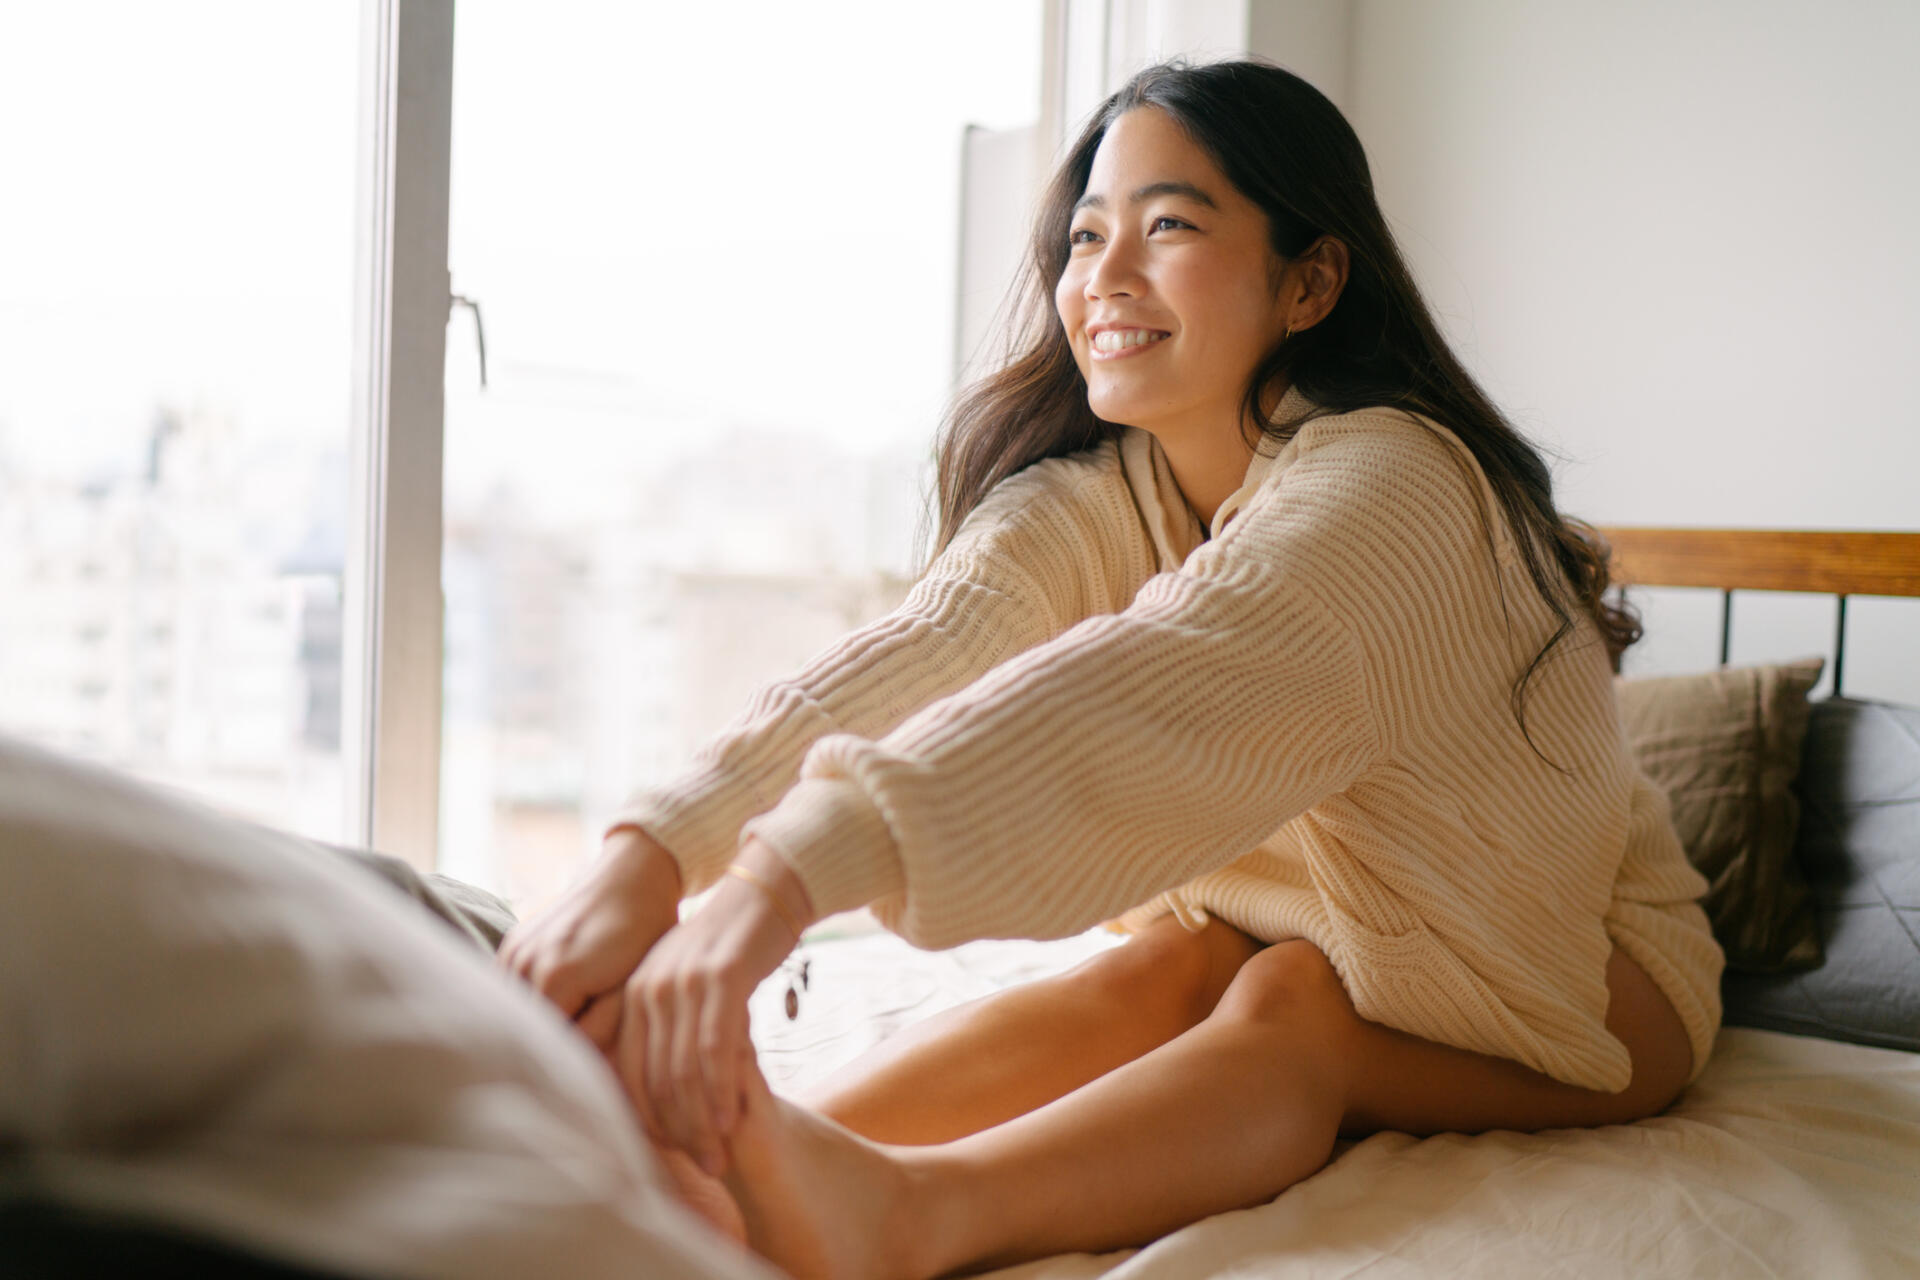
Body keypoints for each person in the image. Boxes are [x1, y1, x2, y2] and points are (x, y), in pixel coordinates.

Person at [498, 57, 1724, 1280]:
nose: (1105, 278)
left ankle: (909, 1212)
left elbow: (1154, 679)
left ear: (1311, 279)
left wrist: (776, 886)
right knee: (1170, 958)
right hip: (1288, 922)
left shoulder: (1398, 486)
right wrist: (656, 853)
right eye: (1085, 238)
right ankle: (726, 1150)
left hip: (1578, 980)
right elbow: (925, 653)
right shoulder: (1094, 497)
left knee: (1292, 1003)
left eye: (1169, 226)